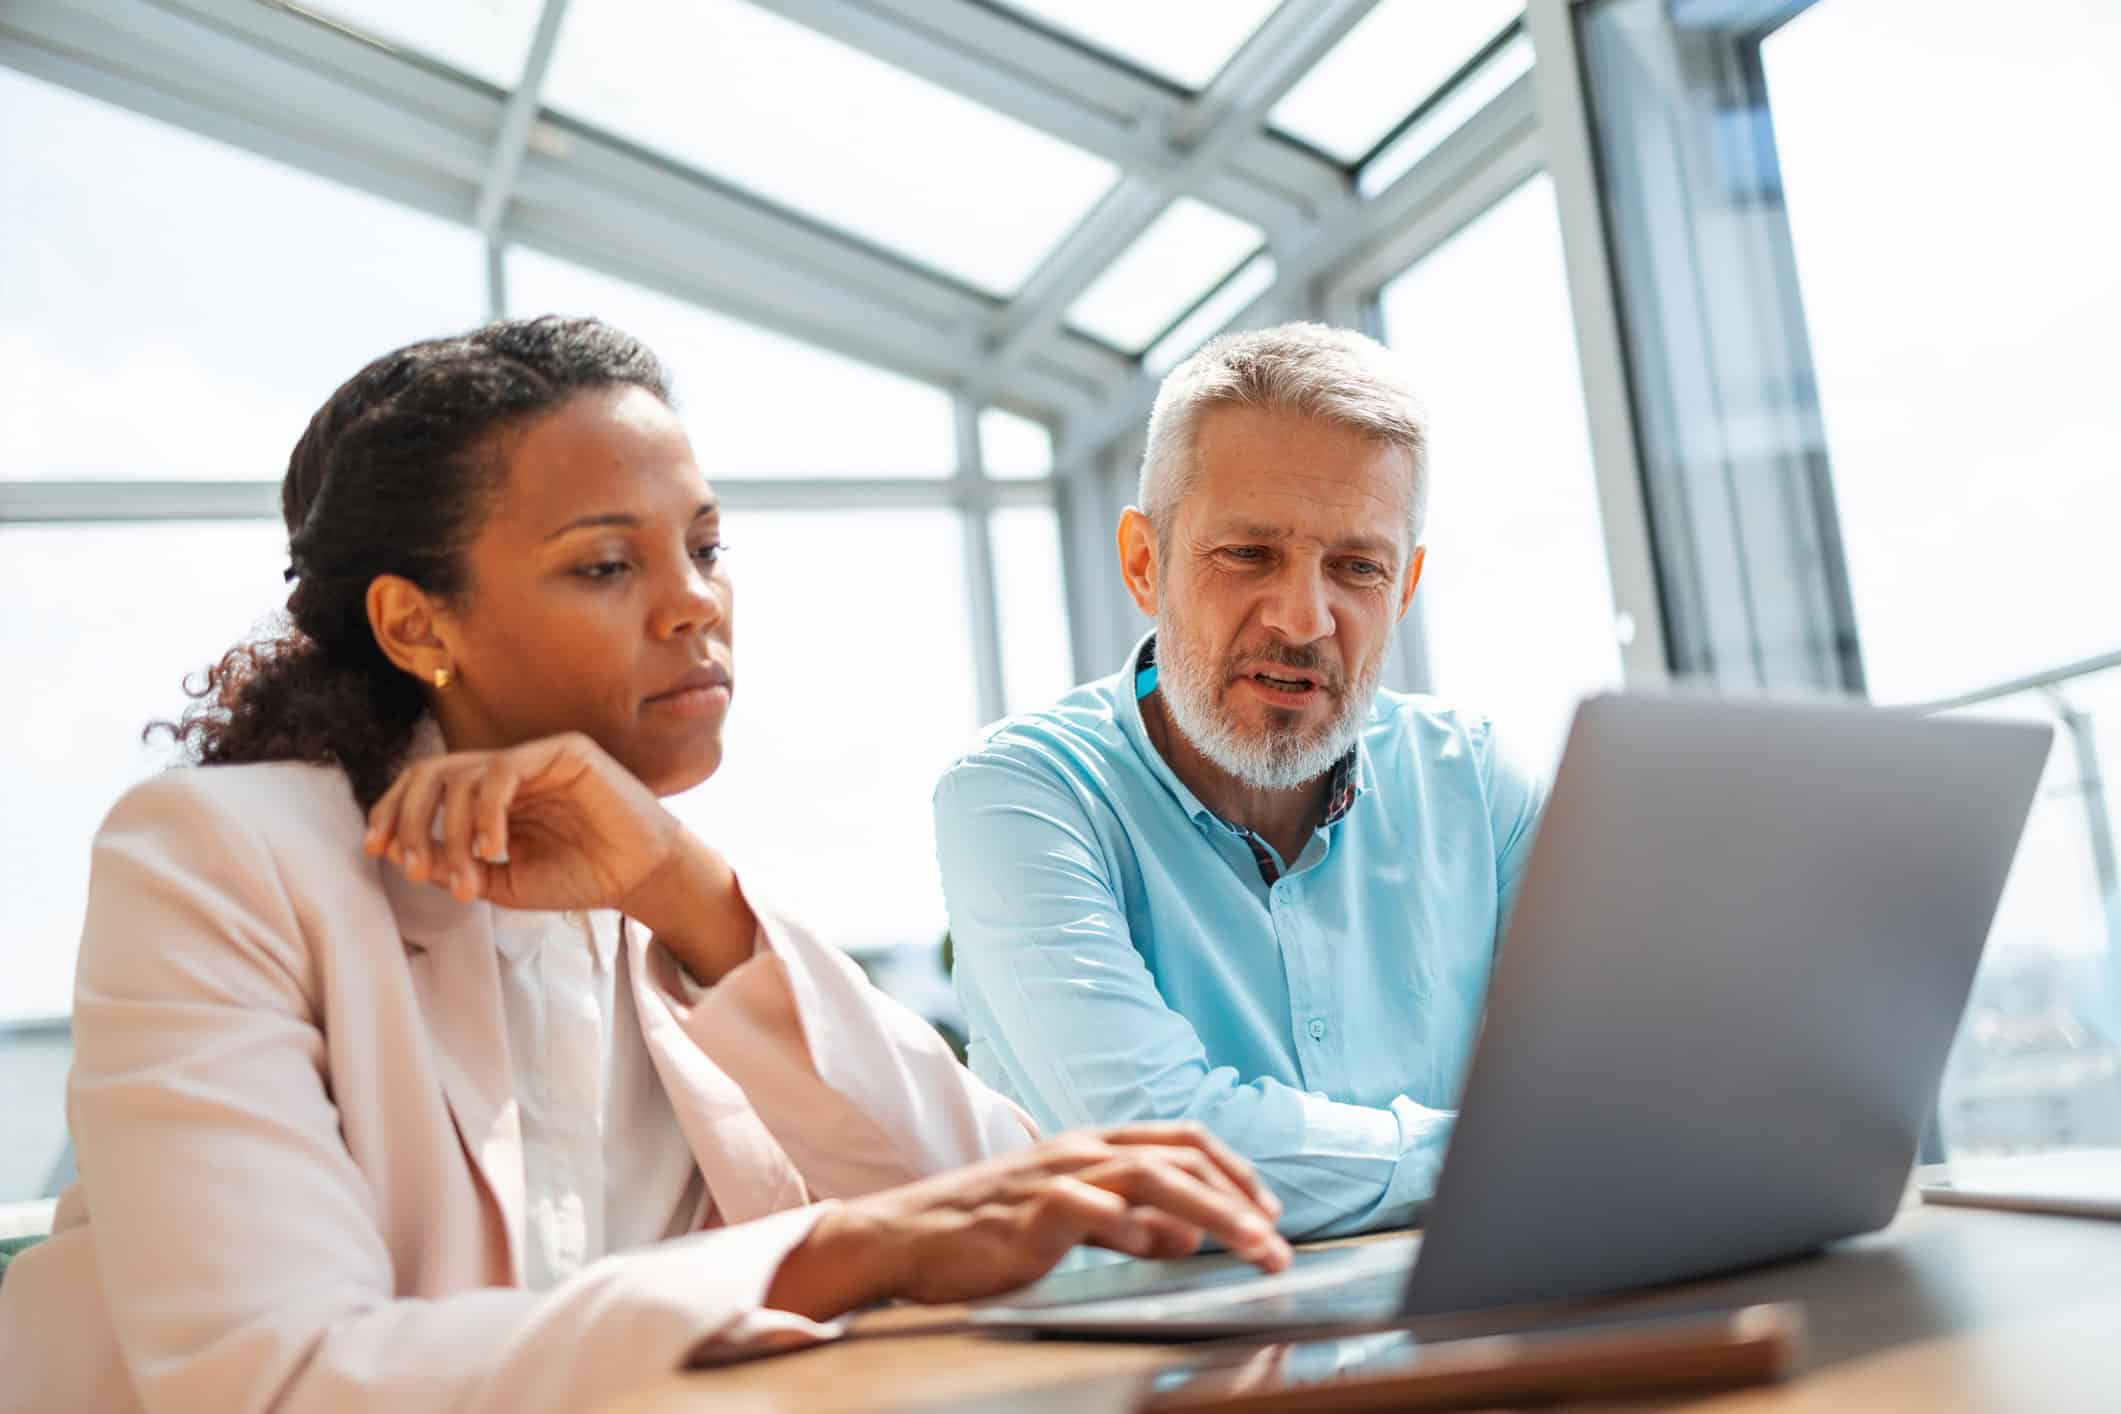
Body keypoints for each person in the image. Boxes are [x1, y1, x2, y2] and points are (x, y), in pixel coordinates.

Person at [0, 318, 1289, 1414]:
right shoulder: (222, 863)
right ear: (414, 621)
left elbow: (987, 1203)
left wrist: (688, 896)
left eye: (708, 547)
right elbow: (278, 1382)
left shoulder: (661, 887)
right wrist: (816, 1259)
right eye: (608, 565)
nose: (694, 605)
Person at [935, 323, 1545, 1242]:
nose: (1303, 620)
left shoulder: (1479, 785)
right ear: (1145, 563)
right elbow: (1160, 1154)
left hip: (1465, 1332)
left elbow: (1604, 1096)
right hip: (1138, 1370)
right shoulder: (1019, 798)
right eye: (1248, 555)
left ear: (1405, 586)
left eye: (1356, 568)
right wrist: (1498, 1158)